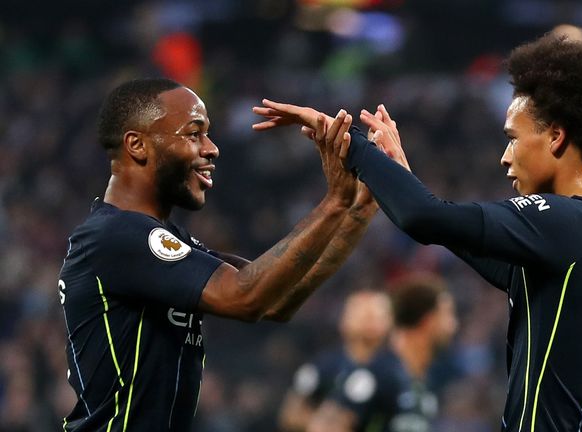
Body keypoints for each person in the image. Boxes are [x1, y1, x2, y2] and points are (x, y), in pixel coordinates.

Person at [254, 33, 582, 431]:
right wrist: (404, 178)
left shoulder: (570, 222)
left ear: (557, 137)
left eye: (513, 138)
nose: (506, 157)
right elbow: (464, 237)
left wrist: (352, 144)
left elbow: (424, 218)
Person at [57, 78, 377, 431]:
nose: (211, 149)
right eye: (194, 134)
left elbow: (275, 299)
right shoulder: (114, 236)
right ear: (137, 145)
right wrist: (334, 203)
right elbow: (245, 296)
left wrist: (356, 210)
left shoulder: (163, 241)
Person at [307, 273, 458, 432]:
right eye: (448, 315)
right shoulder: (379, 374)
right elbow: (324, 428)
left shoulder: (423, 382)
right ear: (428, 321)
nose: (453, 325)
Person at [278, 289, 393, 431]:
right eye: (362, 312)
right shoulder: (324, 365)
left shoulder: (396, 369)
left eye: (377, 314)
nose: (369, 319)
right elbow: (290, 414)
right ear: (344, 320)